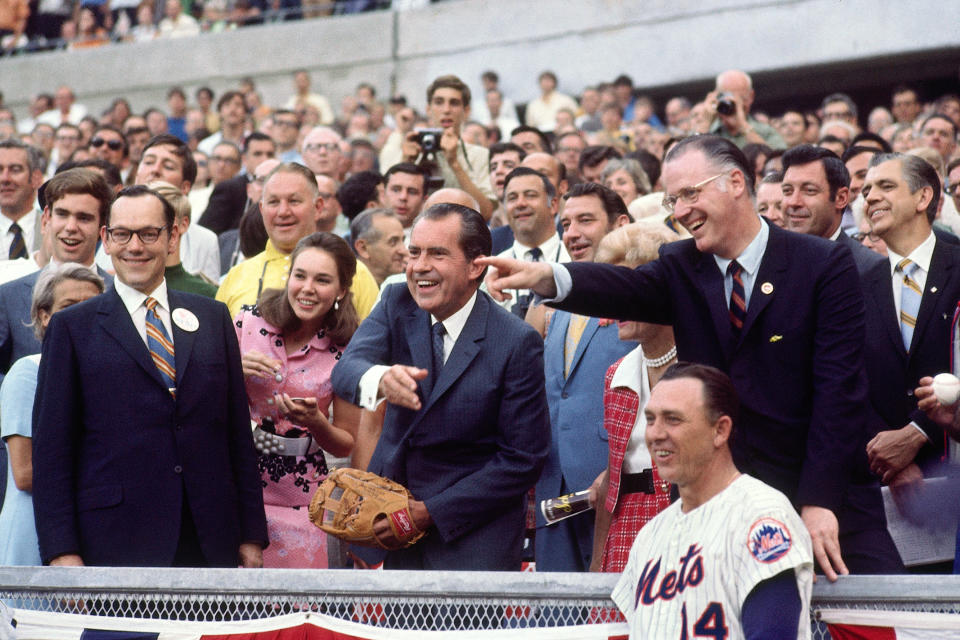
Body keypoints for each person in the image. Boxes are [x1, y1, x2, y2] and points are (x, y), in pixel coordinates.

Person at [482, 134, 900, 580]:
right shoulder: (682, 264)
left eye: (689, 194)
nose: (680, 211)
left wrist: (819, 503)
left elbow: (839, 395)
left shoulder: (823, 264)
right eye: (672, 199)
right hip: (722, 510)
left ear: (736, 182)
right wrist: (548, 277)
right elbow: (624, 288)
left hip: (824, 503)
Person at [33, 185, 268, 567]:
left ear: (172, 237)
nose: (135, 246)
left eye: (148, 233)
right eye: (123, 234)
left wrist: (251, 534)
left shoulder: (212, 318)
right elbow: (53, 450)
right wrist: (62, 551)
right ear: (106, 240)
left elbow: (236, 434)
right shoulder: (72, 329)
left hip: (209, 537)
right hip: (113, 540)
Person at [331, 203, 549, 570]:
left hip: (474, 536)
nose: (419, 266)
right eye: (414, 252)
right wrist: (379, 378)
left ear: (476, 266)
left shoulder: (515, 341)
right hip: (396, 528)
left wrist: (429, 512)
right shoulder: (396, 302)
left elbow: (522, 459)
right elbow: (346, 370)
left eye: (437, 254)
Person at [611, 363, 813, 639]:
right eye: (650, 419)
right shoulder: (649, 536)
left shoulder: (762, 516)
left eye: (673, 419)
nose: (656, 434)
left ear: (720, 430)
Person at [236, 232, 362, 568]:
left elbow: (345, 444)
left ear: (341, 290)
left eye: (322, 280)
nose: (307, 288)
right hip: (240, 486)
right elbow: (202, 395)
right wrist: (230, 369)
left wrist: (317, 423)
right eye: (300, 275)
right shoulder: (248, 321)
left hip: (306, 500)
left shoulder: (348, 349)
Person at [534, 182, 633, 573]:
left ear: (621, 224)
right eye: (565, 223)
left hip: (619, 488)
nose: (572, 233)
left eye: (586, 221)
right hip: (554, 489)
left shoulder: (646, 297)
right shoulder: (555, 300)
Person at [860, 154, 960, 514]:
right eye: (867, 189)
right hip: (886, 483)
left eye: (886, 186)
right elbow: (845, 381)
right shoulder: (857, 287)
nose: (870, 196)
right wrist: (891, 456)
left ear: (923, 198)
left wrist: (916, 435)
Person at [588, 222, 680, 574]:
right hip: (626, 529)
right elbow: (614, 479)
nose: (616, 303)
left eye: (628, 287)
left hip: (692, 524)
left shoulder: (705, 365)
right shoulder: (617, 374)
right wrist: (598, 562)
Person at [0, 262, 104, 566]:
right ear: (44, 316)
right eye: (69, 307)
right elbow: (25, 473)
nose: (82, 317)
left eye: (93, 306)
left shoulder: (106, 377)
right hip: (33, 533)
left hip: (82, 531)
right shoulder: (28, 372)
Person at [217, 162, 378, 321]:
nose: (283, 212)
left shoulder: (355, 274)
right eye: (273, 202)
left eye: (294, 201)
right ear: (261, 209)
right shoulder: (236, 277)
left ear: (318, 207)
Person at [0, 167, 113, 382]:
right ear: (45, 221)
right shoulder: (8, 297)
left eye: (84, 218)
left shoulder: (119, 294)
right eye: (62, 214)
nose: (71, 227)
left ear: (102, 230)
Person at [401, 75, 496, 221]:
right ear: (428, 109)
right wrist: (406, 163)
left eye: (454, 103)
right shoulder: (411, 149)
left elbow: (485, 212)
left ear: (467, 111)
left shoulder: (480, 155)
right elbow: (395, 208)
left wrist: (455, 164)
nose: (446, 110)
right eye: (439, 102)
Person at [780, 144, 884, 274]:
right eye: (787, 191)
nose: (794, 202)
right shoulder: (771, 262)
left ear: (841, 198)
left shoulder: (868, 267)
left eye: (809, 191)